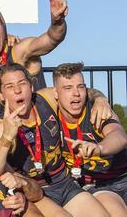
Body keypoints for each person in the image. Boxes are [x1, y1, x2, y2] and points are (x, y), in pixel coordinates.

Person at [0, 63, 111, 217]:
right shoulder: (0, 127)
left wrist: (100, 100)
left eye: (22, 83)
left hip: (63, 181)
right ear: (0, 94)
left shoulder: (45, 98)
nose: (18, 90)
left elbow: (80, 91)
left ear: (31, 87)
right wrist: (7, 137)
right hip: (35, 190)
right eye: (10, 86)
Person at [52, 63, 127, 216]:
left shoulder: (96, 109)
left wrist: (99, 148)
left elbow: (118, 135)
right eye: (68, 88)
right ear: (55, 93)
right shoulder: (50, 117)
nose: (76, 94)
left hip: (122, 176)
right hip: (99, 186)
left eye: (80, 87)